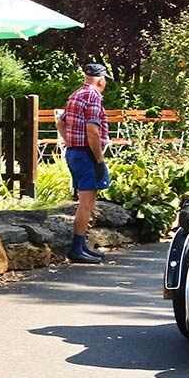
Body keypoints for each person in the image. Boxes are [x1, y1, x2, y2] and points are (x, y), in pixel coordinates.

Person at [61, 62, 114, 264]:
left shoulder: (75, 94)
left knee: (85, 202)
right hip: (86, 155)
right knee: (87, 203)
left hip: (74, 152)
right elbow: (92, 131)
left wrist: (70, 140)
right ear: (101, 80)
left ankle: (82, 246)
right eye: (105, 81)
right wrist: (99, 160)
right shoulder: (93, 96)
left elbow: (60, 122)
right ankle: (77, 249)